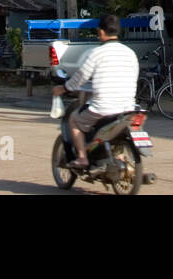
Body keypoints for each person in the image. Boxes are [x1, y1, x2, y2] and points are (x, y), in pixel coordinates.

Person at [52, 14, 138, 169]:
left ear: (101, 32)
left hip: (103, 107)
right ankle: (115, 156)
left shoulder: (97, 53)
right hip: (128, 108)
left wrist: (64, 88)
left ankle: (83, 158)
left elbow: (81, 77)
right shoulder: (130, 53)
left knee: (74, 120)